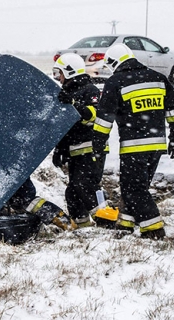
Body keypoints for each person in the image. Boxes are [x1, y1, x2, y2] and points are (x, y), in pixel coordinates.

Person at [92, 44, 174, 240]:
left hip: (134, 147)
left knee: (133, 188)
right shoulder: (158, 78)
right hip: (157, 145)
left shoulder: (116, 82)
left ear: (113, 63)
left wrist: (99, 144)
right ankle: (126, 224)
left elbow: (104, 119)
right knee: (138, 187)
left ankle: (153, 229)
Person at [51, 53, 114, 228]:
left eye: (60, 73)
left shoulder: (90, 90)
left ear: (70, 72)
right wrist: (60, 149)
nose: (58, 78)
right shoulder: (66, 93)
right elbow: (65, 125)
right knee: (72, 192)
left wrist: (73, 103)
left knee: (85, 186)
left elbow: (94, 116)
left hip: (91, 149)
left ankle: (108, 222)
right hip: (75, 151)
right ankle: (83, 228)